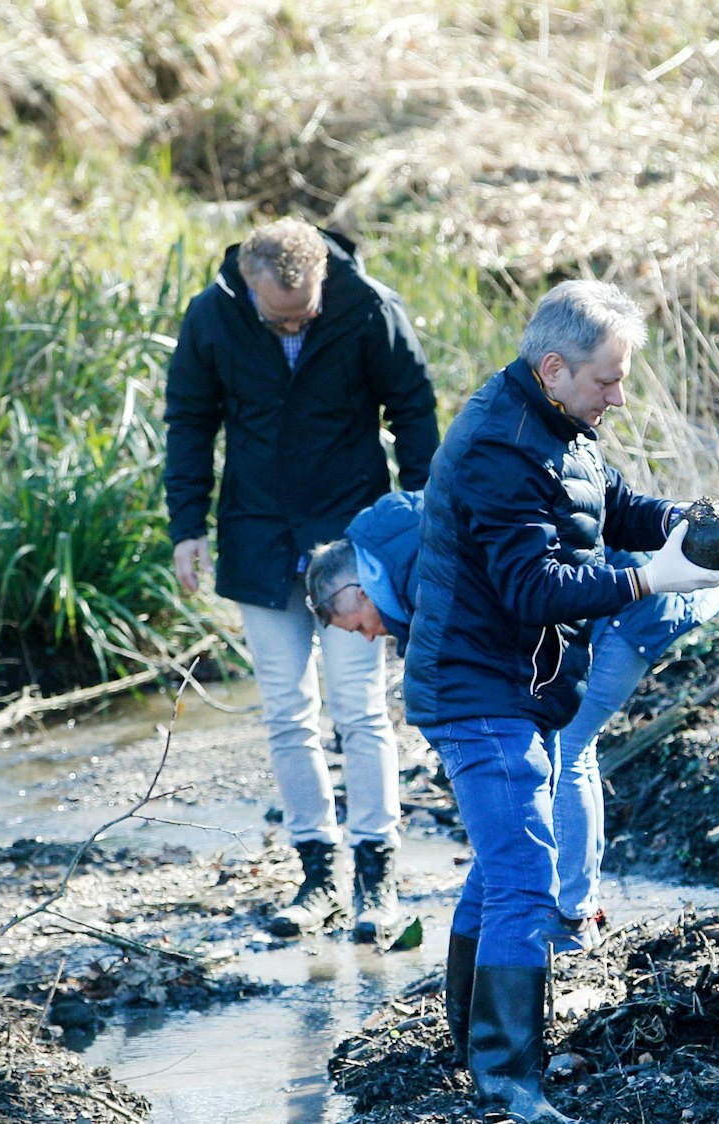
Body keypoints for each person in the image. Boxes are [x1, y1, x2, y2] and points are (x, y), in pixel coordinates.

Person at [404, 280, 719, 1121]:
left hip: (515, 685)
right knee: (526, 880)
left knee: (499, 874)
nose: (620, 395)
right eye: (608, 379)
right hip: (476, 686)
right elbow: (531, 587)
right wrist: (650, 577)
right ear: (554, 367)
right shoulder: (498, 445)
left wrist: (690, 521)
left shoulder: (566, 425)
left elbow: (614, 506)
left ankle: (474, 1049)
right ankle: (508, 1083)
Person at [162, 218, 439, 941]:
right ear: (246, 282)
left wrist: (424, 521)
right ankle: (317, 873)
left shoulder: (368, 307)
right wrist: (186, 525)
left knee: (360, 709)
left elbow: (413, 411)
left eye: (305, 308)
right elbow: (189, 421)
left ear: (323, 277)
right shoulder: (211, 314)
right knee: (286, 710)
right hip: (257, 536)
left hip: (353, 538)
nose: (295, 320)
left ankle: (376, 873)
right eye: (279, 314)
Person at [303, 492, 719, 951]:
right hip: (603, 593)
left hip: (631, 596)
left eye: (357, 626)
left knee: (568, 746)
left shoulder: (416, 566)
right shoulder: (396, 544)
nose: (369, 637)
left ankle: (574, 918)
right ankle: (565, 909)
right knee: (558, 747)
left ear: (354, 591)